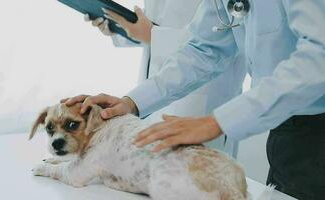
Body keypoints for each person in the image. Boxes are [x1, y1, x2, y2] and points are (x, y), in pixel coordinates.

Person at [64, 0, 325, 199]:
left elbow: (319, 58)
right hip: (287, 132)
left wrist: (218, 121)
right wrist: (132, 102)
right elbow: (205, 48)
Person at [83, 0, 246, 158]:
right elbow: (157, 23)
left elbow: (217, 40)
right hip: (158, 87)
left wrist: (152, 35)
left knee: (198, 172)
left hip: (199, 96)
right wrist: (121, 28)